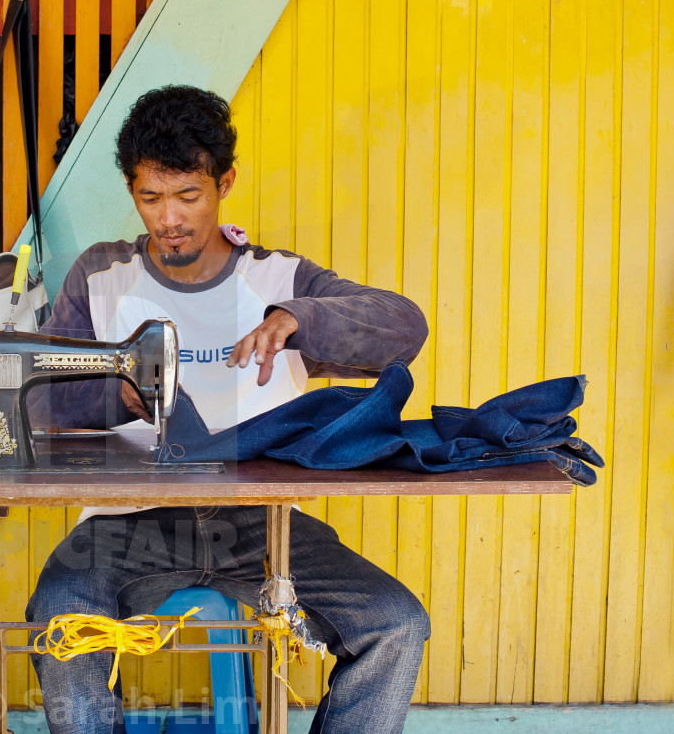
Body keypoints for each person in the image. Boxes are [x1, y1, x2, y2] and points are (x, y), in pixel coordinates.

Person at [25, 85, 431, 734]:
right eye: (150, 198)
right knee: (60, 618)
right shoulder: (102, 278)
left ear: (225, 182)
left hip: (265, 531)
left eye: (188, 195)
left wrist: (300, 320)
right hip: (128, 526)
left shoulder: (277, 281)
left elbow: (403, 327)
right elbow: (38, 395)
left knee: (396, 623)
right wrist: (116, 392)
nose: (170, 219)